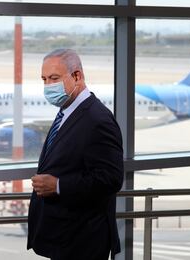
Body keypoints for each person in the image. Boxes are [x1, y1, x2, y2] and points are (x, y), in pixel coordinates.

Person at [27, 48, 124, 260]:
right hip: (64, 237)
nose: (48, 86)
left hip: (83, 240)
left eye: (54, 78)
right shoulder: (67, 111)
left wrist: (58, 185)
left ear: (77, 76)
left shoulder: (97, 119)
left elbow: (111, 179)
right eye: (44, 79)